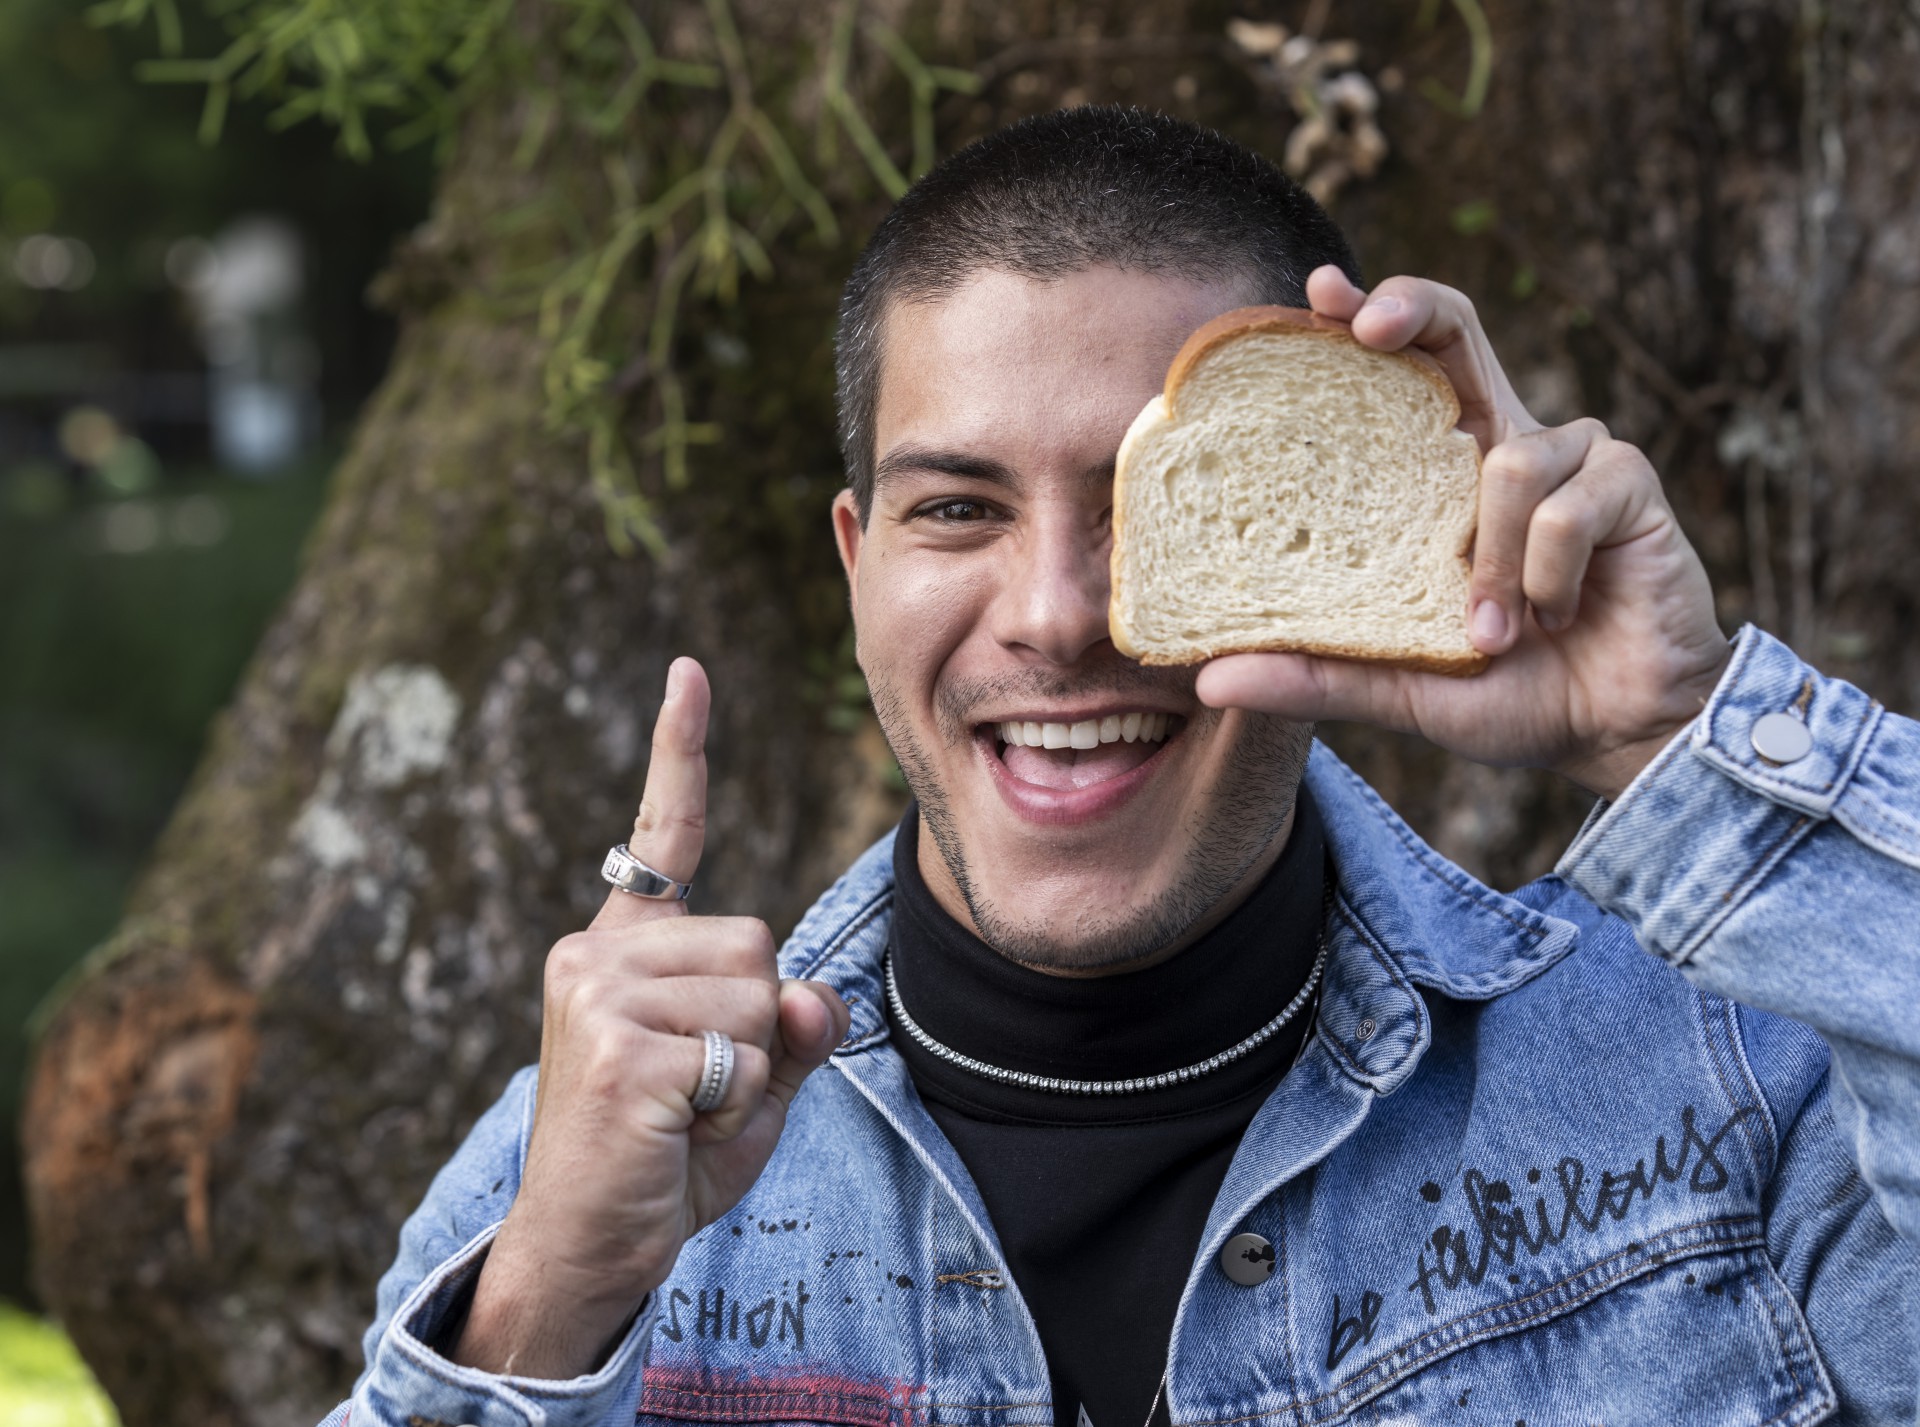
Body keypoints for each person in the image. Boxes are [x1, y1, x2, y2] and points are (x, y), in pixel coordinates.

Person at [322, 107, 1919, 1427]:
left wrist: (1688, 737)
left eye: (1163, 502)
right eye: (959, 509)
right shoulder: (581, 1173)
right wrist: (547, 1307)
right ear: (858, 564)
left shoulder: (1740, 1087)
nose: (1058, 616)